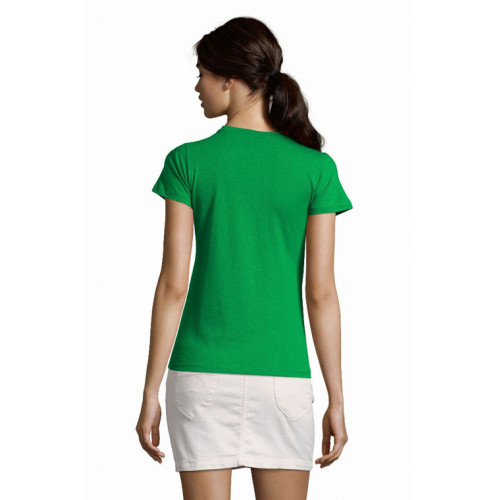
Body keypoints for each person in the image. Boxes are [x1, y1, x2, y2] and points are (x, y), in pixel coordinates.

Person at [136, 16, 352, 500]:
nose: (197, 86)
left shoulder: (187, 161)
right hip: (284, 382)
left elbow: (173, 284)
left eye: (202, 74)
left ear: (229, 80)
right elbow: (320, 293)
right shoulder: (316, 168)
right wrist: (336, 399)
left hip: (199, 376)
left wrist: (150, 391)